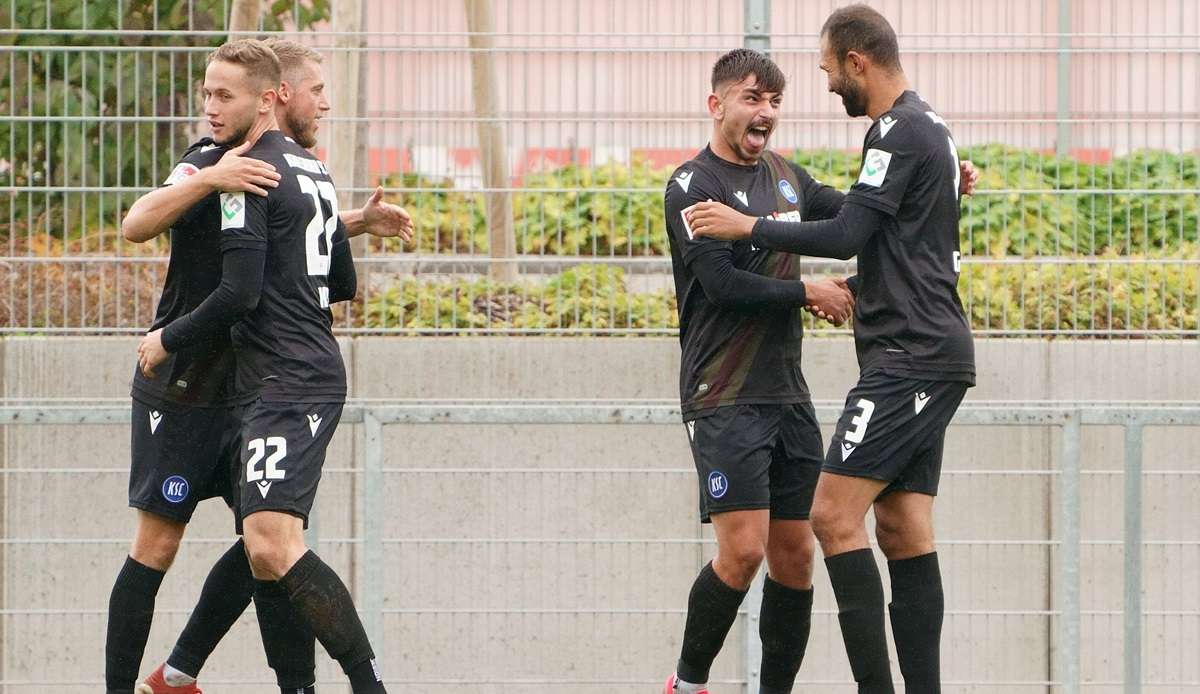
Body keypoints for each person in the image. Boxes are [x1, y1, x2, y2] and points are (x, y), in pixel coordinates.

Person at [687, 6, 977, 692]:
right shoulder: (924, 129)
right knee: (902, 527)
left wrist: (747, 224)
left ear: (856, 62)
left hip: (910, 358)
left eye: (824, 71)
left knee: (829, 515)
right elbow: (892, 240)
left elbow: (847, 229)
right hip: (922, 354)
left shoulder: (898, 131)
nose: (824, 86)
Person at [111, 38, 404, 694]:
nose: (325, 101)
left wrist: (346, 222)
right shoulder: (217, 163)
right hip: (188, 385)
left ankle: (240, 679)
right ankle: (162, 679)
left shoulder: (289, 170)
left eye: (223, 95)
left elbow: (266, 273)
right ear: (283, 96)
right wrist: (213, 177)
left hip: (256, 380)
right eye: (317, 90)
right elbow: (134, 224)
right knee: (184, 546)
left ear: (266, 98)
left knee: (268, 543)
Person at [660, 47, 855, 694]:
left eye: (773, 100)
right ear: (717, 105)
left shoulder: (788, 177)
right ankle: (687, 683)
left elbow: (857, 216)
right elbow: (719, 284)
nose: (764, 111)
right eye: (751, 98)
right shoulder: (692, 185)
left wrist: (940, 180)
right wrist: (809, 293)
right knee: (742, 551)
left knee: (796, 556)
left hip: (787, 399)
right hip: (724, 396)